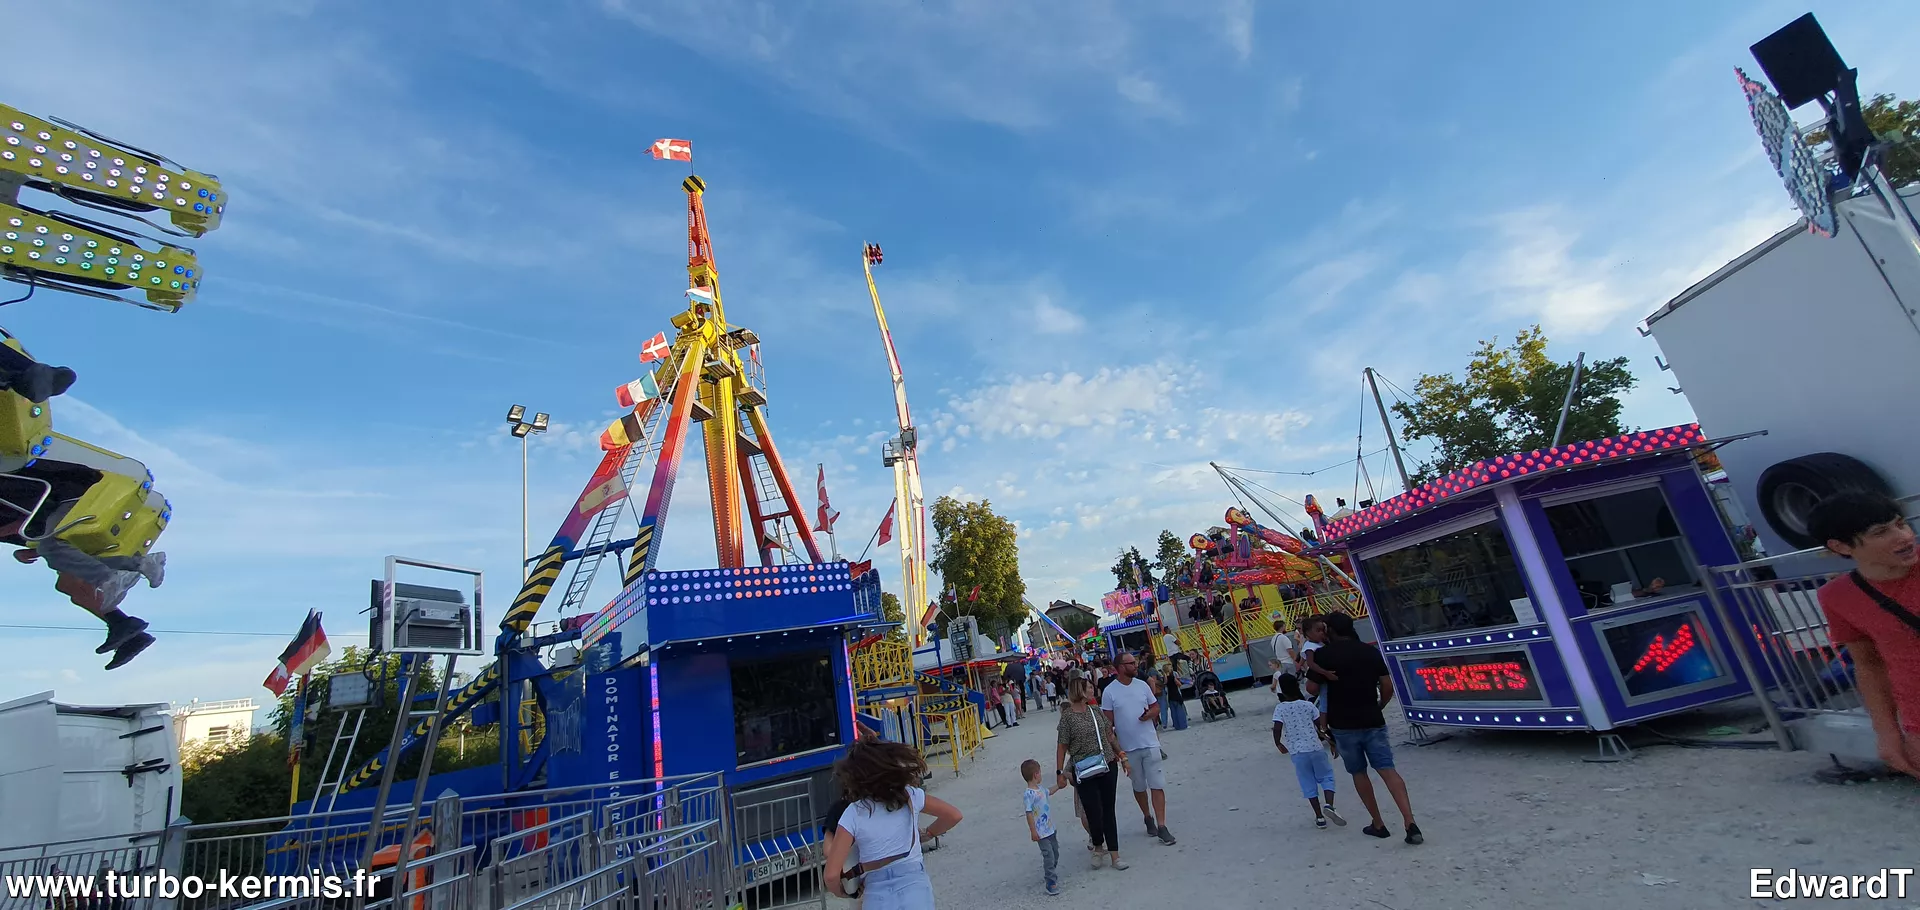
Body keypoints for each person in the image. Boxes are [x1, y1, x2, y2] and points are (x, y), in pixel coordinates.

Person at [1809, 492, 1920, 775]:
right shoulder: (1837, 596)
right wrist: (1887, 732)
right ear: (1841, 546)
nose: (1904, 536)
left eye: (1900, 523)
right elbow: (1869, 665)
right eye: (1881, 532)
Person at [1313, 613, 1420, 844]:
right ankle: (1409, 821)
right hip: (1372, 718)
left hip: (1343, 723)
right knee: (1387, 769)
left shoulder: (1323, 655)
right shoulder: (1369, 651)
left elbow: (1312, 688)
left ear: (1330, 630)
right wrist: (1380, 704)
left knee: (1359, 773)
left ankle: (1378, 823)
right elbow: (1387, 685)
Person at [825, 740, 964, 908]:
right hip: (914, 887)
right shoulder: (910, 796)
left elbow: (831, 875)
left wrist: (843, 892)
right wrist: (928, 833)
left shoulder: (853, 813)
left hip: (876, 894)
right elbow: (953, 815)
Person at [1054, 679, 1129, 870]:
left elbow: (1109, 735)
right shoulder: (1068, 718)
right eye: (1088, 687)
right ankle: (1097, 846)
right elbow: (1061, 746)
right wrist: (1060, 772)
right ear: (1079, 690)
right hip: (1083, 769)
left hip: (1107, 764)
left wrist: (1122, 755)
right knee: (1093, 811)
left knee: (1108, 810)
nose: (1092, 689)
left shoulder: (1096, 711)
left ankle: (1115, 855)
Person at [1102, 652, 1175, 845]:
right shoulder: (1110, 692)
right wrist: (1117, 751)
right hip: (1129, 748)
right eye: (1131, 663)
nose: (1136, 666)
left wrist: (1149, 714)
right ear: (1120, 667)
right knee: (1139, 786)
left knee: (1157, 784)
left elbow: (1156, 707)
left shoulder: (1142, 685)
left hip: (1150, 742)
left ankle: (1162, 826)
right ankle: (1147, 816)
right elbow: (1108, 726)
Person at [1271, 673, 1345, 830]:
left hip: (1298, 752)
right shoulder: (1308, 705)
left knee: (1307, 782)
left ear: (1282, 690)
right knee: (1326, 776)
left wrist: (1278, 743)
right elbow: (1321, 727)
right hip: (1315, 748)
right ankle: (1329, 805)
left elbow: (1277, 728)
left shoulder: (1280, 708)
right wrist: (1332, 742)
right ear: (1297, 686)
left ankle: (1319, 818)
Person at [1020, 759, 1064, 896]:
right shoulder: (1028, 794)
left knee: (1055, 853)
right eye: (1040, 772)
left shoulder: (1041, 789)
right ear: (1035, 774)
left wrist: (1059, 786)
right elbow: (1029, 813)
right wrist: (1033, 831)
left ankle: (1050, 871)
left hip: (1050, 829)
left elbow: (1049, 791)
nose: (1041, 775)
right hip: (1041, 833)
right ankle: (1050, 881)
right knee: (1048, 855)